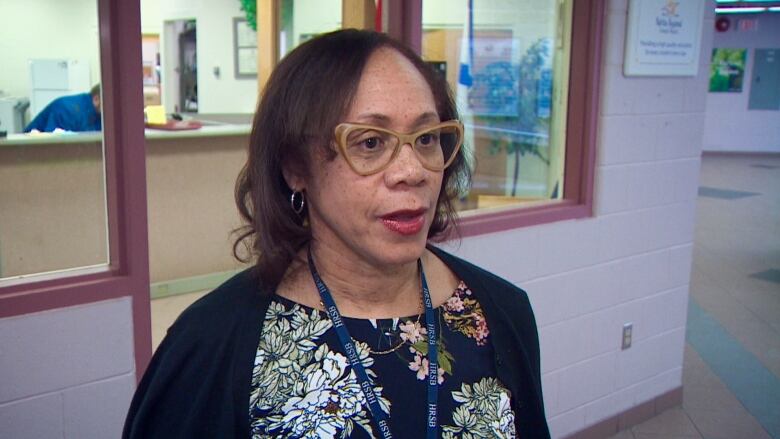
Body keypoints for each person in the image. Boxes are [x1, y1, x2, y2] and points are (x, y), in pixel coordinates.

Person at [123, 29, 550, 438]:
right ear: (295, 166)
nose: (412, 171)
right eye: (369, 143)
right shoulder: (212, 345)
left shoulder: (500, 314)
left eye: (426, 138)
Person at [24, 84, 101, 132]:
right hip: (32, 151)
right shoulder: (69, 109)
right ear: (96, 99)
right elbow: (54, 142)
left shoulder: (97, 114)